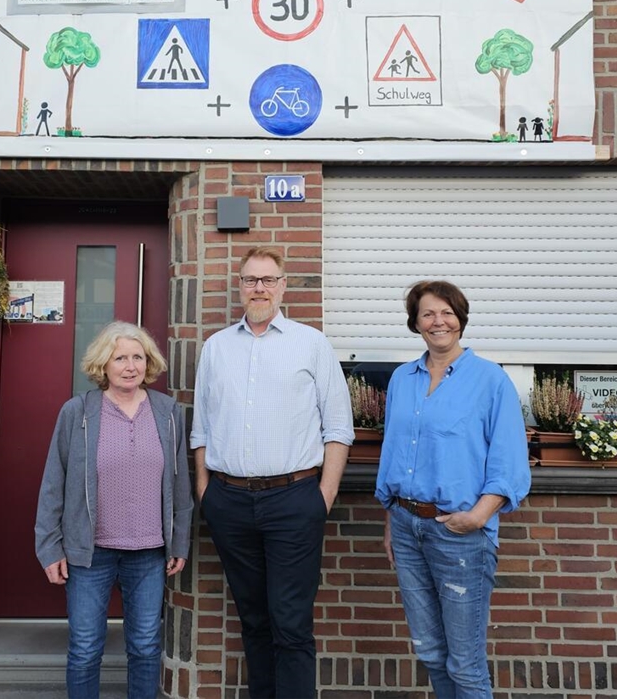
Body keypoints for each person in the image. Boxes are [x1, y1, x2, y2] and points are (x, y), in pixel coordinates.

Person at [192, 246, 354, 698]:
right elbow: (201, 428)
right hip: (229, 501)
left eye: (267, 280)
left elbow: (339, 427)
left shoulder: (311, 343)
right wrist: (206, 492)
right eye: (250, 280)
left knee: (291, 622)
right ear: (239, 287)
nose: (258, 288)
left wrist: (323, 496)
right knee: (254, 619)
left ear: (283, 286)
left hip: (294, 500)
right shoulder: (216, 347)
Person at [375, 280, 531, 699]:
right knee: (429, 651)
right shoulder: (402, 380)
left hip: (459, 533)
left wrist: (478, 516)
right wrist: (392, 521)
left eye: (446, 312)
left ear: (460, 318)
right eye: (427, 313)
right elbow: (394, 453)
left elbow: (509, 460)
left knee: (464, 662)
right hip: (408, 529)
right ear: (415, 323)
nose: (438, 321)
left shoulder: (490, 380)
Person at [35, 321, 193, 699]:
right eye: (119, 357)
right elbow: (53, 482)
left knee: (144, 646)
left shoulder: (168, 412)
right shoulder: (78, 412)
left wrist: (179, 542)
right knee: (87, 649)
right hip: (91, 554)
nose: (130, 365)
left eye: (137, 357)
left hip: (149, 553)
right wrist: (50, 547)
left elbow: (180, 485)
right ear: (103, 364)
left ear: (148, 362)